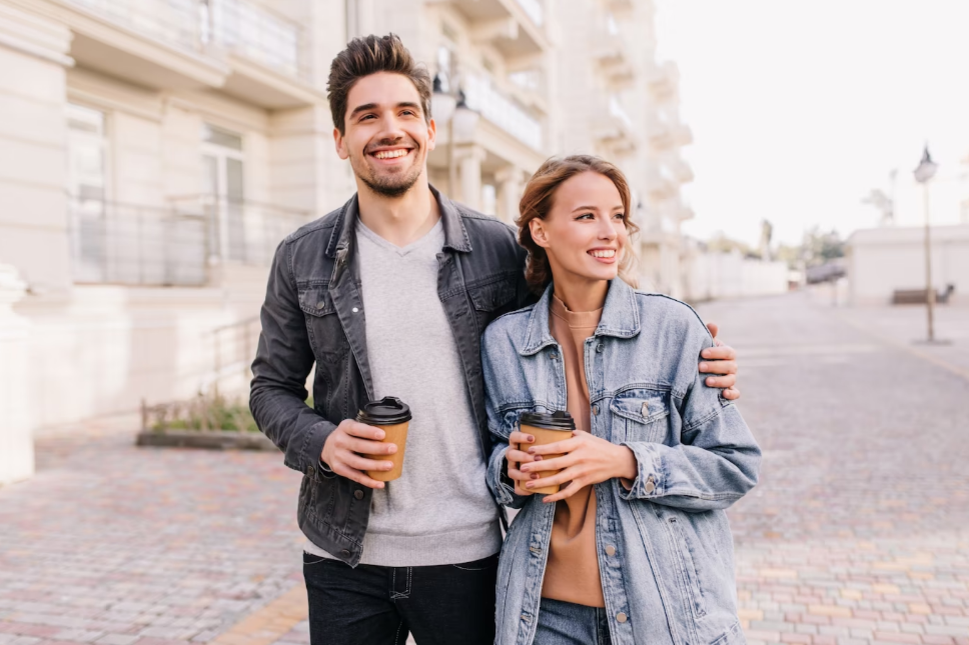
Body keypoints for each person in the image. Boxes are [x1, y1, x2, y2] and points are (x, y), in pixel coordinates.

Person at [250, 35, 742, 645]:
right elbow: (269, 388)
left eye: (405, 112)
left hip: (470, 550)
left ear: (429, 130)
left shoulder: (495, 249)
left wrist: (688, 349)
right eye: (366, 115)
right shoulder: (302, 258)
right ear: (340, 139)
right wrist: (323, 441)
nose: (389, 129)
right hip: (343, 555)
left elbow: (574, 312)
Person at [482, 155, 762, 645]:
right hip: (542, 615)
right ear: (541, 231)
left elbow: (735, 466)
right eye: (587, 216)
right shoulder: (503, 342)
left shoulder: (673, 329)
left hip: (664, 610)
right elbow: (492, 465)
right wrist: (511, 470)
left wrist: (624, 460)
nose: (609, 231)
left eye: (618, 216)